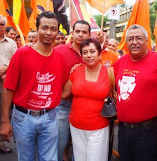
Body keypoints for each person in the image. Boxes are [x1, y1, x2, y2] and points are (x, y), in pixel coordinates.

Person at [0, 11, 69, 161]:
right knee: (26, 158)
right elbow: (8, 87)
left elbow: (66, 85)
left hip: (50, 117)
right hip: (23, 118)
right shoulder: (22, 54)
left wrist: (83, 69)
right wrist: (5, 121)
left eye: (53, 29)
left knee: (49, 159)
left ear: (58, 31)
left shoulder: (59, 58)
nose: (49, 32)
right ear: (37, 29)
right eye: (45, 28)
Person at [113, 24, 157, 161]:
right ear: (126, 42)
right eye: (130, 39)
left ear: (147, 40)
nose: (134, 42)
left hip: (149, 130)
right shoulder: (120, 62)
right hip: (123, 129)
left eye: (139, 38)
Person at [62, 38, 110, 161]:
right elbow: (63, 94)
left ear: (100, 55)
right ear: (82, 56)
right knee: (79, 158)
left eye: (92, 51)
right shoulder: (76, 71)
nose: (89, 55)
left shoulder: (110, 73)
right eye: (85, 52)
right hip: (76, 126)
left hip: (99, 128)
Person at [55, 20, 91, 161]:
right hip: (62, 104)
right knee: (60, 142)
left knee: (79, 144)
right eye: (78, 31)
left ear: (89, 34)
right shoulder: (59, 51)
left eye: (84, 32)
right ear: (72, 33)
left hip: (83, 105)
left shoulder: (91, 52)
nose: (80, 35)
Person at [0, 15, 17, 154]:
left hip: (4, 83)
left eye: (1, 24)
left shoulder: (11, 43)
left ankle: (1, 144)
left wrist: (5, 68)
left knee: (2, 112)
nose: (0, 26)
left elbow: (16, 61)